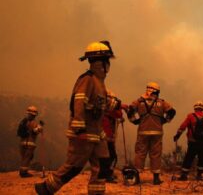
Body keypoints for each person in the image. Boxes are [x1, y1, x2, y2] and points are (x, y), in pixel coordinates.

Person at [35, 41, 120, 195]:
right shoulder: (87, 79)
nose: (109, 65)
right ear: (100, 62)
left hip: (97, 134)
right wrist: (79, 128)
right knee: (74, 167)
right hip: (84, 133)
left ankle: (96, 193)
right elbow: (79, 101)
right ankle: (46, 188)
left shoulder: (100, 82)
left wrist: (112, 104)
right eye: (107, 60)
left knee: (102, 166)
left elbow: (99, 105)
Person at [127, 82, 176, 185]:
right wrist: (165, 121)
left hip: (142, 132)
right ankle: (156, 178)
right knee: (156, 154)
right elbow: (172, 112)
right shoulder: (162, 102)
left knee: (140, 153)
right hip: (157, 132)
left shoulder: (139, 101)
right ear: (156, 91)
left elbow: (130, 110)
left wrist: (134, 121)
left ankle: (136, 178)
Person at [173, 101, 203, 181]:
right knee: (202, 158)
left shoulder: (190, 116)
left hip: (192, 142)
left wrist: (177, 135)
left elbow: (183, 126)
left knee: (189, 158)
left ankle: (184, 175)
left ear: (195, 108)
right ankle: (199, 175)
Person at [102, 94, 128, 183]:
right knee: (112, 157)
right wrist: (120, 108)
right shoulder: (110, 109)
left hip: (103, 136)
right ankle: (108, 175)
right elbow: (118, 114)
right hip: (107, 136)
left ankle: (103, 174)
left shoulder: (103, 109)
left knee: (103, 156)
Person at [17, 105, 43, 177]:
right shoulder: (33, 123)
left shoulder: (23, 121)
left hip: (22, 143)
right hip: (30, 143)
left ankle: (22, 170)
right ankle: (24, 173)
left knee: (23, 158)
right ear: (34, 115)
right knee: (27, 158)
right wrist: (40, 127)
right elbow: (35, 132)